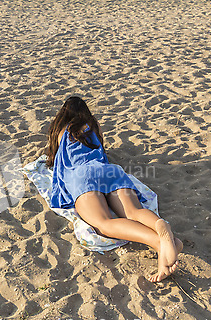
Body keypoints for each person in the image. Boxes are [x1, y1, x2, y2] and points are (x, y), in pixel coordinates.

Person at [45, 96, 182, 282]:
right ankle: (161, 228)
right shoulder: (93, 126)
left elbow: (55, 159)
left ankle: (157, 242)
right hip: (109, 171)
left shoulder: (61, 131)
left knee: (104, 223)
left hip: (82, 176)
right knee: (135, 211)